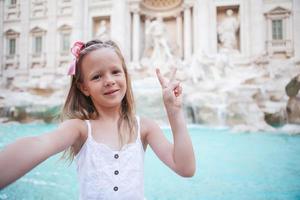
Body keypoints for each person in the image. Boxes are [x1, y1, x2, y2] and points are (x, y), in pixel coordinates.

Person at [0, 40, 196, 199]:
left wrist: (174, 111)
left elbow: (185, 168)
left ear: (125, 76)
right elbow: (38, 144)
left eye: (115, 72)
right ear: (84, 87)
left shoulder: (144, 127)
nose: (109, 80)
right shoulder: (79, 129)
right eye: (97, 77)